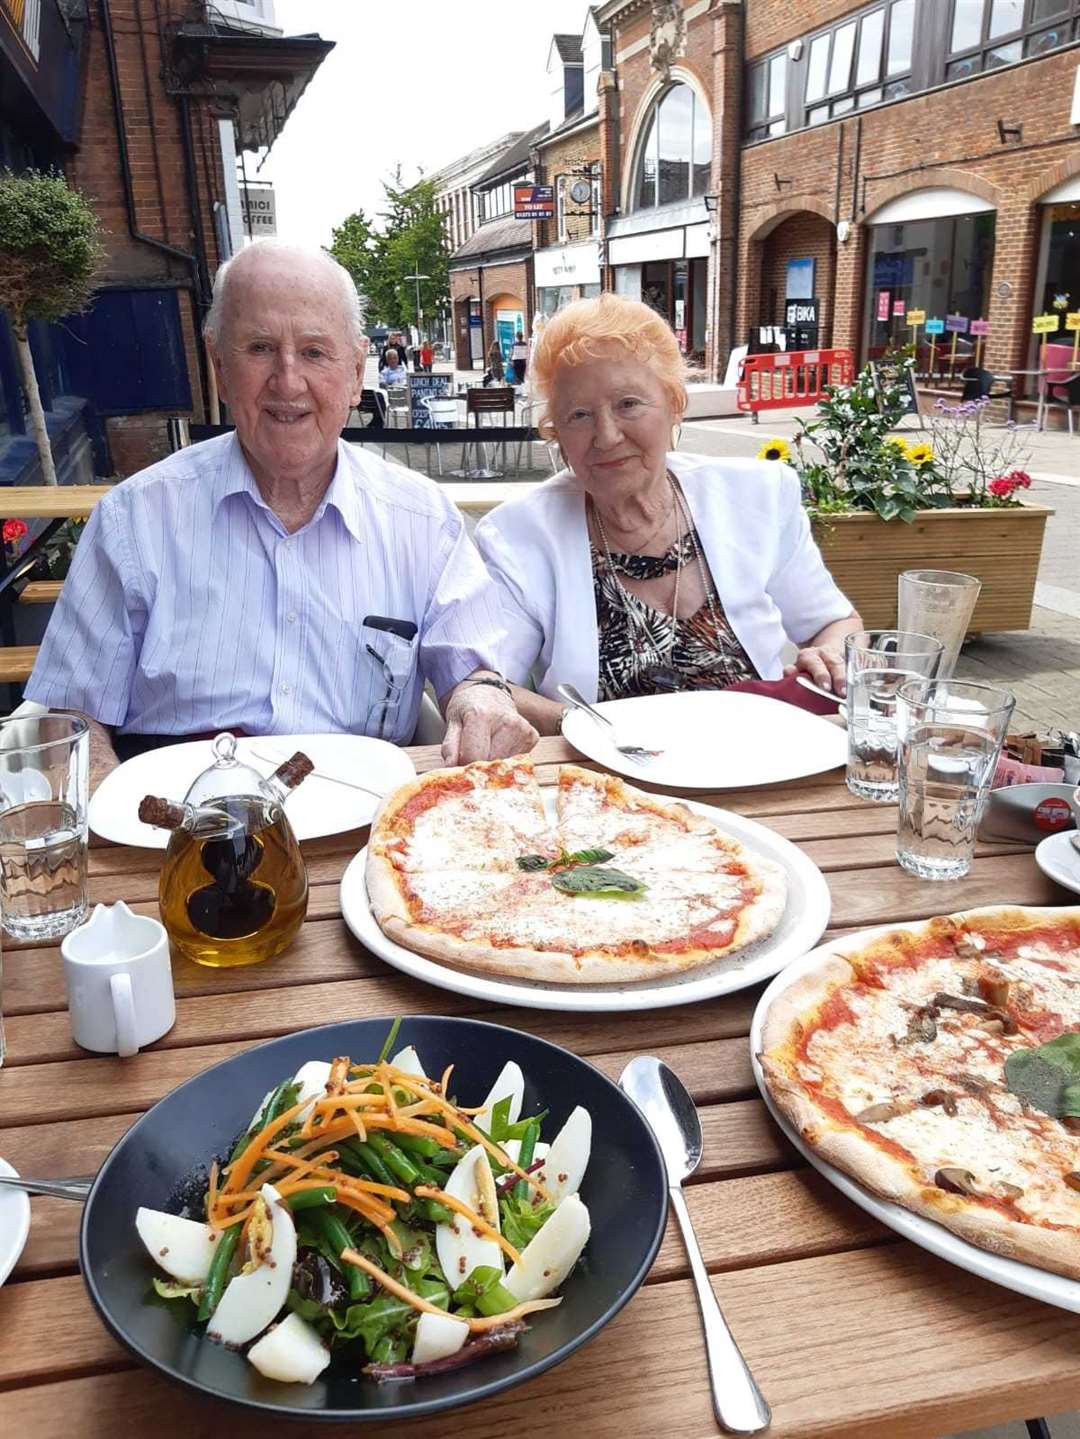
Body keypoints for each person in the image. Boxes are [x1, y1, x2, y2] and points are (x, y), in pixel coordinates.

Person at [25, 241, 537, 780]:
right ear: (219, 365)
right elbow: (68, 716)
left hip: (366, 824)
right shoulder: (134, 520)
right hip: (182, 830)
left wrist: (482, 701)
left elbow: (474, 673)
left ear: (356, 368)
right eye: (260, 348)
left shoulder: (422, 519)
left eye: (315, 352)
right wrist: (122, 834)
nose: (288, 382)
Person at [474, 294, 862, 735]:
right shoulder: (518, 534)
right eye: (579, 415)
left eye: (628, 404)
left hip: (761, 763)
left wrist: (833, 656)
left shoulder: (758, 496)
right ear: (556, 433)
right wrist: (584, 729)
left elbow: (832, 623)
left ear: (674, 402)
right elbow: (490, 681)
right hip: (609, 781)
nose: (606, 435)